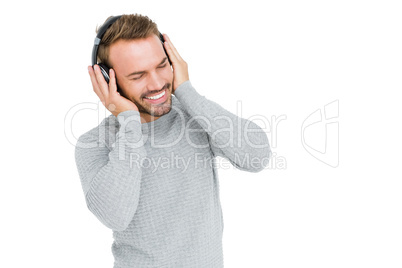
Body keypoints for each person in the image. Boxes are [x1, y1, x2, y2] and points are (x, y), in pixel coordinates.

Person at [75, 14, 271, 268]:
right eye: (138, 76)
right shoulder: (93, 144)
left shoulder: (195, 114)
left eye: (161, 65)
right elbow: (115, 215)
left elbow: (257, 156)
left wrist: (187, 91)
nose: (157, 83)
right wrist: (130, 122)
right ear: (106, 80)